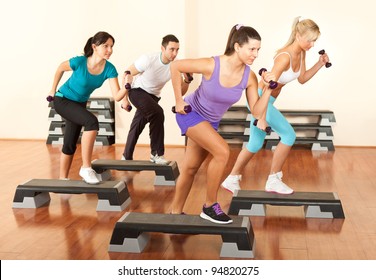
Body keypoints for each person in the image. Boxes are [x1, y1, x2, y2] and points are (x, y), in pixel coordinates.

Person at [169, 24, 276, 224]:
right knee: (222, 152)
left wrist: (268, 89)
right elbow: (176, 66)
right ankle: (210, 206)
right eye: (252, 49)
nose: (256, 54)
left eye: (258, 50)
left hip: (210, 123)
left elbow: (256, 111)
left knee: (191, 168)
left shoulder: (249, 76)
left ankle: (175, 213)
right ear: (237, 47)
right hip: (190, 113)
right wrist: (178, 100)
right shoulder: (212, 64)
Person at [222, 17, 331, 195]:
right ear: (298, 35)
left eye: (314, 40)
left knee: (255, 144)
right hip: (259, 100)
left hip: (267, 102)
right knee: (289, 135)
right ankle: (274, 179)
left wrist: (319, 64)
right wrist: (262, 118)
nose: (312, 44)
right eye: (309, 39)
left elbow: (302, 79)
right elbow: (266, 85)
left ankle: (232, 178)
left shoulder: (302, 53)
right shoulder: (284, 58)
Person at [47, 31, 128, 184]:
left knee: (70, 142)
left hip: (79, 104)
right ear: (94, 47)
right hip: (63, 100)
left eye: (111, 46)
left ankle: (62, 179)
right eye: (106, 46)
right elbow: (60, 68)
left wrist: (127, 86)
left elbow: (117, 96)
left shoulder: (110, 69)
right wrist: (53, 88)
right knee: (91, 122)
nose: (110, 50)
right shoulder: (79, 62)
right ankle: (86, 167)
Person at [121, 34, 190, 164]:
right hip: (137, 91)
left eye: (177, 50)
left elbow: (180, 90)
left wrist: (187, 80)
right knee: (158, 113)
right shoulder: (148, 59)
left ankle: (126, 156)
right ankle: (156, 154)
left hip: (152, 98)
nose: (175, 53)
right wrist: (125, 99)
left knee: (138, 124)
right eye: (172, 49)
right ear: (163, 49)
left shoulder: (175, 65)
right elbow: (127, 74)